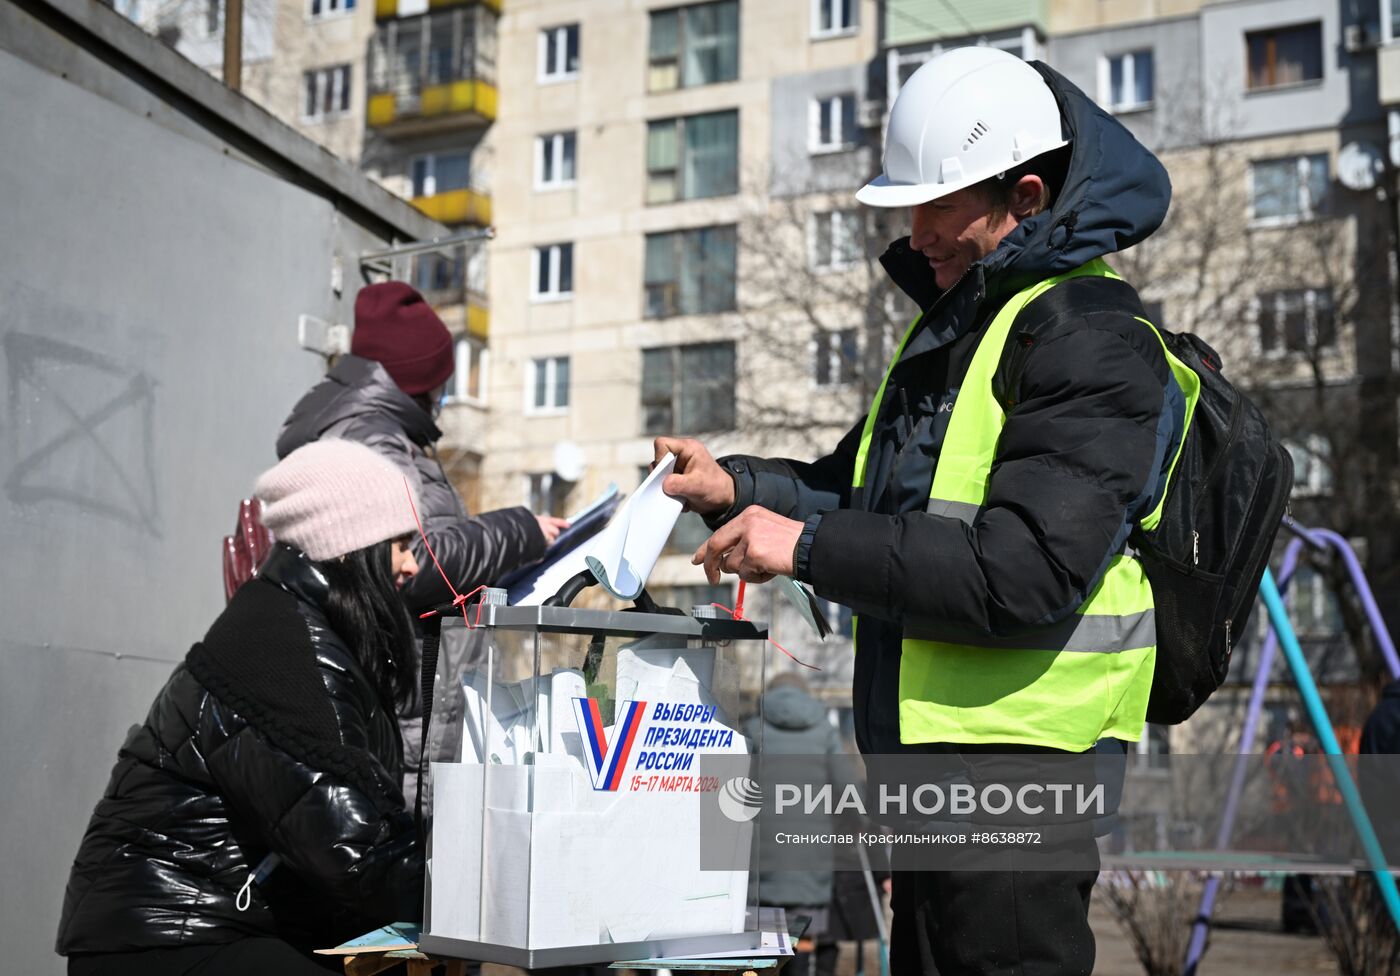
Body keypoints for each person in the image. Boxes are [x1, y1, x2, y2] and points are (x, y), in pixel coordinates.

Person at [657, 47, 1185, 976]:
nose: (917, 228)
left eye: (938, 203)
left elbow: (1021, 569)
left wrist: (806, 546)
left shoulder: (1089, 337)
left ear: (1026, 196)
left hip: (1021, 771)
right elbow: (860, 491)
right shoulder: (965, 326)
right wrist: (736, 488)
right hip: (938, 771)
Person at [57, 440, 429, 974]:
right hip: (167, 936)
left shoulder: (303, 626)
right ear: (350, 543)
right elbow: (355, 856)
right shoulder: (284, 650)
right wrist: (479, 885)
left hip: (207, 924)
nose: (411, 563)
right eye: (398, 543)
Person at [276, 281, 569, 793]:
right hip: (400, 718)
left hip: (412, 710)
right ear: (418, 381)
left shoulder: (386, 434)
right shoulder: (372, 440)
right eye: (441, 382)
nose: (444, 398)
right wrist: (521, 530)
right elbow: (416, 562)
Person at [743, 673, 845, 976]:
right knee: (804, 938)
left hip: (763, 858)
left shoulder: (753, 729)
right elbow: (846, 785)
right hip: (809, 855)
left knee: (764, 943)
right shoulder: (825, 732)